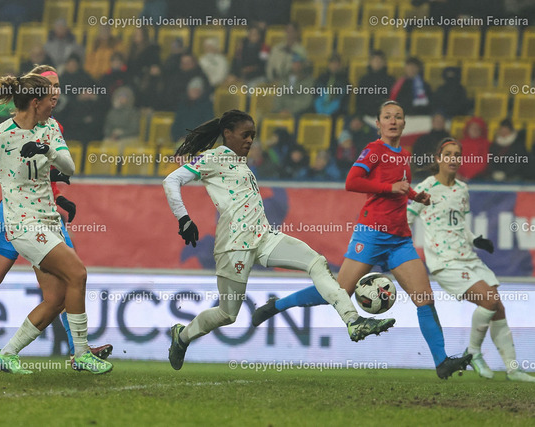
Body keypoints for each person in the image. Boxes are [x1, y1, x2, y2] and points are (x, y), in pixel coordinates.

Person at [252, 101, 473, 379]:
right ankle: (276, 305)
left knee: (424, 298)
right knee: (339, 292)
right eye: (387, 117)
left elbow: (400, 187)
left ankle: (442, 362)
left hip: (400, 239)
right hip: (371, 233)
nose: (393, 121)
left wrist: (415, 195)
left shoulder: (404, 154)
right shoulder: (373, 150)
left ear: (404, 124)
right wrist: (390, 187)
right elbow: (352, 181)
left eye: (398, 117)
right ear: (379, 124)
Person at [162, 109, 395, 370]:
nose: (250, 140)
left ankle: (353, 321)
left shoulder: (241, 163)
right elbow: (171, 181)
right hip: (234, 245)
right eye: (245, 135)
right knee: (227, 314)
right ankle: (182, 336)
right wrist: (184, 219)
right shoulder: (214, 158)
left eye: (253, 135)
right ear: (227, 134)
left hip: (264, 238)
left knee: (316, 262)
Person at [0, 56, 112, 374]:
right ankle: (81, 354)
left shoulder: (50, 128)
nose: (55, 102)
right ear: (36, 102)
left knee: (56, 299)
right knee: (77, 274)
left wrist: (46, 150)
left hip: (49, 221)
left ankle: (7, 354)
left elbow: (70, 167)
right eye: (50, 98)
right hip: (22, 225)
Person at [407, 137, 535, 382]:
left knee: (498, 307)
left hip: (468, 257)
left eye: (457, 155)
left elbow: (459, 226)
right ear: (438, 158)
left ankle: (513, 369)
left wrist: (475, 239)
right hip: (445, 262)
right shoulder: (425, 188)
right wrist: (401, 250)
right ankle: (473, 352)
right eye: (448, 154)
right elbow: (407, 219)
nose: (453, 159)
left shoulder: (462, 189)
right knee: (489, 300)